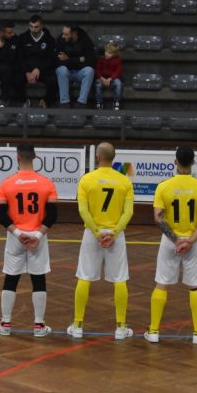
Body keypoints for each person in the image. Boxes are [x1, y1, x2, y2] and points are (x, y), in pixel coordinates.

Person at [145, 146, 197, 344]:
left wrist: (175, 240)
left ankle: (154, 331)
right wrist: (190, 241)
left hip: (170, 242)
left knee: (162, 283)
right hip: (193, 241)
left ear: (175, 162)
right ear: (193, 162)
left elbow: (158, 218)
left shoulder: (163, 187)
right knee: (195, 286)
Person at [69, 142, 134, 340]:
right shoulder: (124, 180)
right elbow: (128, 212)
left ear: (98, 156)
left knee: (84, 277)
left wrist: (97, 232)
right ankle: (121, 327)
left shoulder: (86, 179)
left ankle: (78, 325)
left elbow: (83, 210)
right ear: (113, 158)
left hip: (92, 234)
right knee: (120, 279)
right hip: (116, 235)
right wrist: (114, 232)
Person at [0, 143, 59, 338]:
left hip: (16, 237)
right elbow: (52, 215)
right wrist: (37, 235)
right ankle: (39, 326)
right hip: (38, 237)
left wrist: (17, 233)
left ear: (18, 157)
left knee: (11, 278)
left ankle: (5, 323)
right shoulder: (47, 183)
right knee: (38, 279)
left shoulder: (7, 183)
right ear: (35, 156)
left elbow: (0, 215)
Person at [15, 15, 56, 108]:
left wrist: (39, 69)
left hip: (43, 70)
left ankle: (45, 101)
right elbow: (19, 58)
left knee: (54, 80)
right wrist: (27, 72)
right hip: (27, 71)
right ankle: (24, 101)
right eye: (31, 26)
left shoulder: (49, 39)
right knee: (16, 79)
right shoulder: (22, 38)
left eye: (36, 27)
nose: (33, 29)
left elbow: (51, 59)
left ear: (41, 26)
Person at [53, 23, 95, 108]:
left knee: (90, 70)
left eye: (66, 34)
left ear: (74, 34)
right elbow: (57, 61)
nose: (63, 36)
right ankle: (64, 103)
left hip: (80, 72)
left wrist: (68, 59)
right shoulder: (61, 40)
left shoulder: (85, 40)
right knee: (61, 69)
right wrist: (80, 59)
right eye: (63, 33)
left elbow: (91, 60)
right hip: (66, 73)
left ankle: (81, 103)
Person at [94, 41, 124, 110]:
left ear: (114, 54)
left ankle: (116, 102)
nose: (106, 54)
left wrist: (110, 79)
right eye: (106, 51)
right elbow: (97, 70)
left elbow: (118, 71)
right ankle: (99, 103)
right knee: (98, 84)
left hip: (112, 79)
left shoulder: (118, 60)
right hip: (102, 78)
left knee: (118, 83)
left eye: (109, 53)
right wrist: (102, 78)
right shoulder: (101, 59)